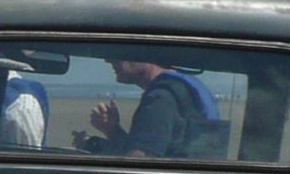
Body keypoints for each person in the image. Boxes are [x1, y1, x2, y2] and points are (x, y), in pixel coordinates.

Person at [78, 57, 225, 159]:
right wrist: (113, 130)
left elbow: (137, 167)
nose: (108, 60)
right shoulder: (181, 90)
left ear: (146, 53)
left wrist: (95, 148)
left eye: (120, 52)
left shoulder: (161, 99)